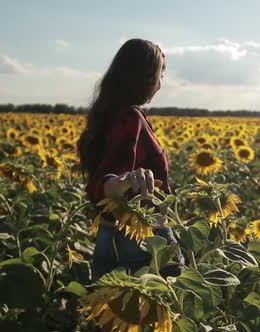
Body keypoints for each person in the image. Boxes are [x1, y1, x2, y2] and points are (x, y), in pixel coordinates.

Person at [76, 38, 184, 282]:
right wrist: (124, 180)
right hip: (142, 238)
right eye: (159, 77)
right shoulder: (129, 117)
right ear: (145, 78)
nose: (159, 86)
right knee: (167, 308)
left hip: (108, 233)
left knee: (112, 313)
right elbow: (108, 180)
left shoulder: (106, 115)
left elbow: (97, 182)